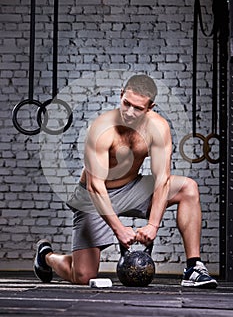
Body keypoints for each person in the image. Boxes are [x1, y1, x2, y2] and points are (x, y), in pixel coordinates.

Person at [34, 74, 218, 288]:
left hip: (131, 188)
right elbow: (95, 186)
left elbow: (162, 180)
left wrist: (153, 225)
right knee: (83, 276)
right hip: (93, 197)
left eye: (138, 108)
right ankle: (46, 256)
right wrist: (119, 229)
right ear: (121, 95)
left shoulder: (158, 128)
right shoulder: (101, 129)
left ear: (150, 107)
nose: (130, 113)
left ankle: (193, 267)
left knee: (188, 188)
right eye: (126, 103)